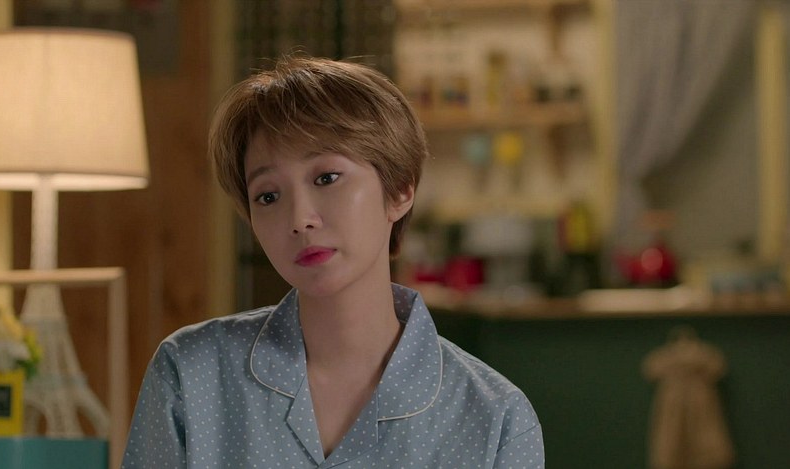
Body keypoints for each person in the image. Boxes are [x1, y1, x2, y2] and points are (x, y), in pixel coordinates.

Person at [122, 55, 543, 468]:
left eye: (326, 178)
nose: (299, 219)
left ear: (399, 189)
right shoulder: (190, 374)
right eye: (268, 196)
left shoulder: (496, 419)